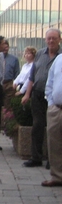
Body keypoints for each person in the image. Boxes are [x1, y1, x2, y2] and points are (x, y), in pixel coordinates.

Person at [21, 28, 62, 167]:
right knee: (37, 126)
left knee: (54, 130)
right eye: (49, 38)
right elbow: (32, 76)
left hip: (56, 99)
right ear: (45, 40)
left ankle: (53, 161)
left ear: (60, 40)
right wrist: (27, 94)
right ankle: (36, 157)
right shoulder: (39, 54)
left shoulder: (61, 56)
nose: (51, 41)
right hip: (38, 94)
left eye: (54, 38)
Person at [43, 53, 62, 186]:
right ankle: (57, 176)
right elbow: (50, 82)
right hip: (56, 109)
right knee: (54, 144)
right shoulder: (59, 59)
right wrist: (51, 103)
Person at [2, 40, 20, 109]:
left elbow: (17, 73)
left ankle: (7, 118)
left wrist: (16, 84)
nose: (5, 49)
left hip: (9, 83)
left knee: (8, 104)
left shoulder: (14, 59)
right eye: (3, 47)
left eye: (6, 47)